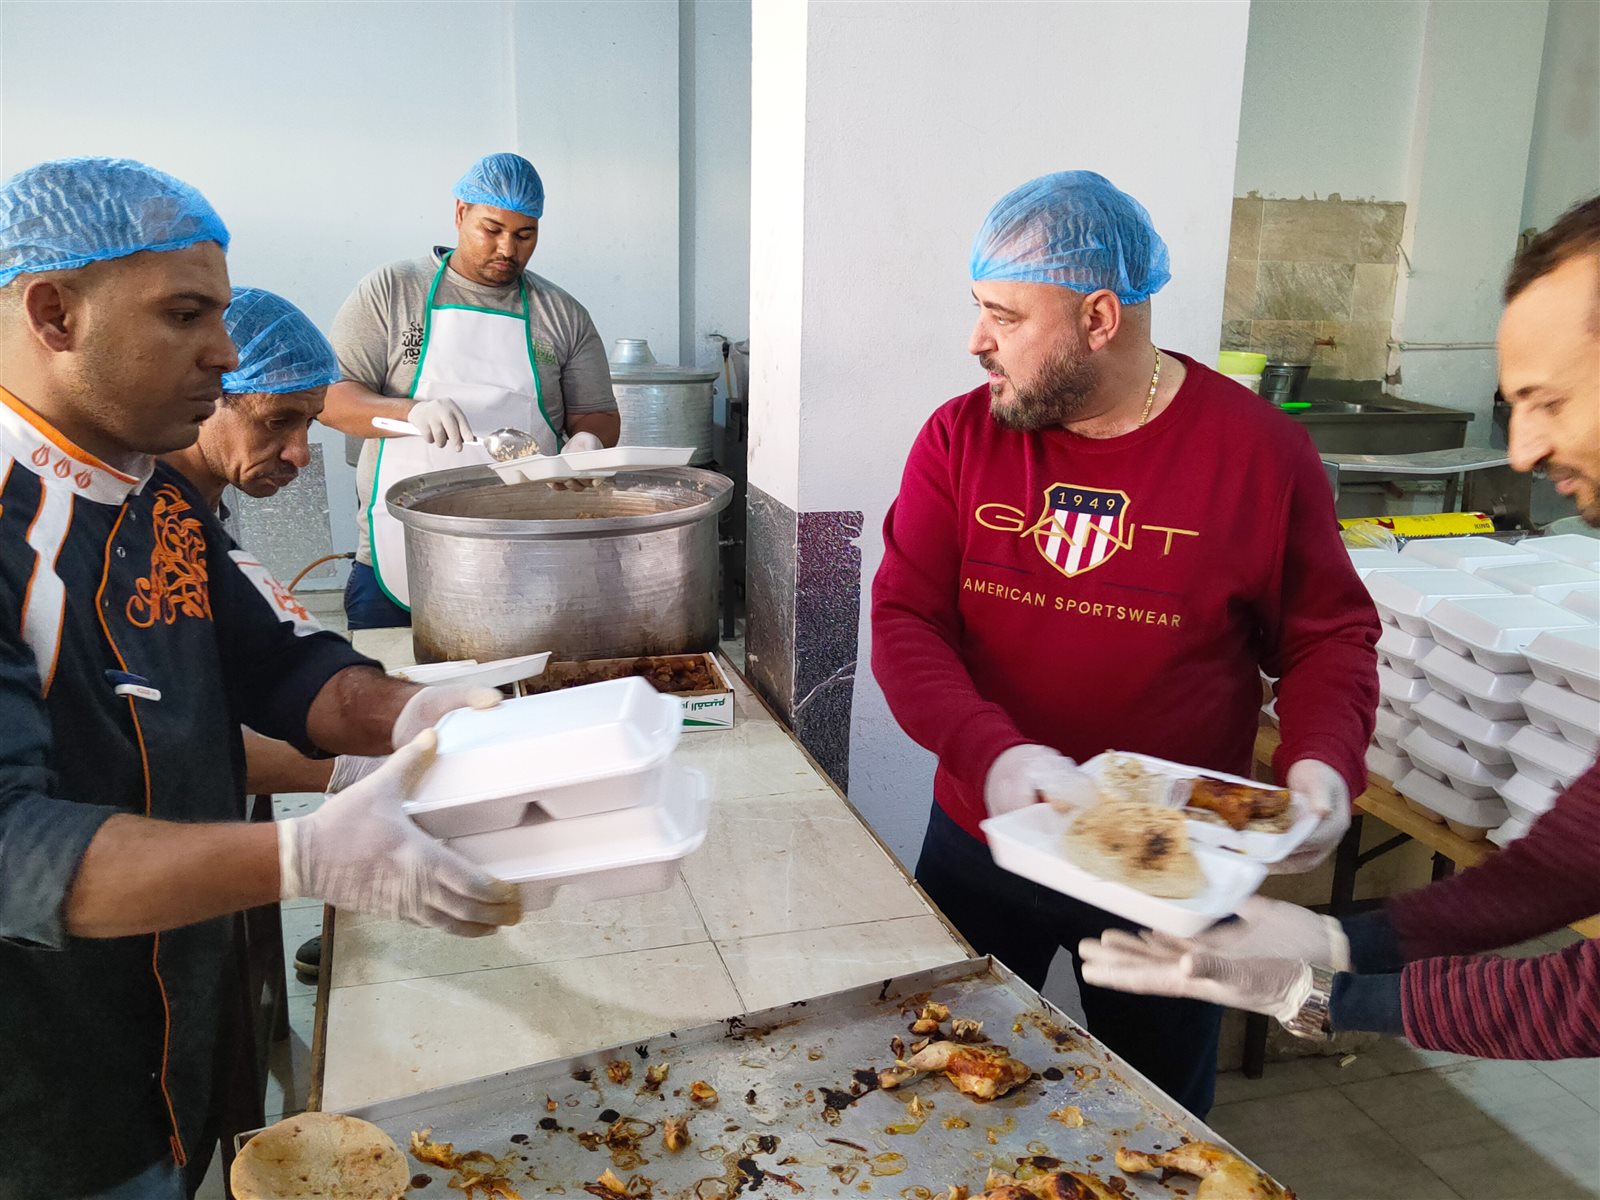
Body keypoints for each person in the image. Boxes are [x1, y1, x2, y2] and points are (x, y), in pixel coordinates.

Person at [0, 157, 522, 1200]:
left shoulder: (152, 499)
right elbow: (12, 847)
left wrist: (424, 714)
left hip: (174, 1041)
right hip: (47, 1095)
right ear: (55, 314)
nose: (225, 352)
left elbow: (285, 662)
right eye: (185, 315)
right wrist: (304, 856)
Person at [870, 171, 1380, 1117]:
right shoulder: (960, 439)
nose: (976, 340)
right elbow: (906, 620)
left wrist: (1321, 760)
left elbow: (1329, 638)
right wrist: (995, 753)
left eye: (1004, 316)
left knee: (1155, 1117)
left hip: (1172, 864)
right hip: (987, 844)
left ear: (1099, 317)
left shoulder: (1260, 454)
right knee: (945, 1090)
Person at [1077, 194, 1600, 1059]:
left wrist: (1321, 991)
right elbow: (1570, 863)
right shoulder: (963, 435)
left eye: (1549, 400)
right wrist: (1343, 940)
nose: (1523, 452)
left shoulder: (1250, 445)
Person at [164, 285, 382, 983]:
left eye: (310, 425)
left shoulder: (200, 513)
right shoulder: (132, 528)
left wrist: (393, 717)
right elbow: (164, 737)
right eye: (278, 421)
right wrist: (346, 768)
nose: (299, 453)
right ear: (206, 396)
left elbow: (269, 658)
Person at [322, 152, 621, 629]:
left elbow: (597, 413)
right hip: (399, 548)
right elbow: (329, 399)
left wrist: (589, 442)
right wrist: (408, 412)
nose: (508, 248)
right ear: (460, 213)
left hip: (527, 552)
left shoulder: (562, 314)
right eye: (492, 229)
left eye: (525, 235)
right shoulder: (392, 291)